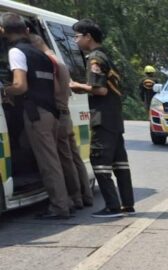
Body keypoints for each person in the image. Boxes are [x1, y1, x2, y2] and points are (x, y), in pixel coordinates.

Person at [2, 14, 72, 220]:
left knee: (48, 163)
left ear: (4, 31)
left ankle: (59, 207)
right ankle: (66, 201)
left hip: (36, 114)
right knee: (53, 159)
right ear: (25, 30)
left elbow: (20, 85)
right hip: (51, 112)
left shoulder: (16, 52)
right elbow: (55, 87)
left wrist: (5, 90)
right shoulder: (40, 53)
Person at [69, 18, 134, 218]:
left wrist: (76, 86)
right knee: (120, 164)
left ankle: (112, 207)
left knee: (99, 162)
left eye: (77, 36)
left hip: (103, 117)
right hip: (114, 117)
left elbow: (100, 90)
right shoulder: (107, 56)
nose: (75, 41)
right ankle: (127, 204)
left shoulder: (94, 59)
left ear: (88, 36)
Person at [29, 33, 92, 211]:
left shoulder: (49, 62)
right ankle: (84, 196)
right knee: (73, 157)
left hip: (58, 113)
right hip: (65, 112)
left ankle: (73, 198)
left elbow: (54, 89)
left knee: (64, 159)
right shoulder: (58, 60)